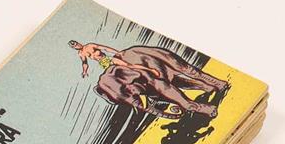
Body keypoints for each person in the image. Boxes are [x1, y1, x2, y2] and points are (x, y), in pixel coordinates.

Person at [68, 41, 224, 118]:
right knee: (171, 85)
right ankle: (208, 88)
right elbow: (85, 62)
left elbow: (105, 49)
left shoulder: (91, 46)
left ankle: (205, 96)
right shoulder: (82, 54)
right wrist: (84, 71)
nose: (76, 45)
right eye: (74, 45)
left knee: (184, 71)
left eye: (75, 43)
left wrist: (119, 53)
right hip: (117, 70)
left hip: (127, 64)